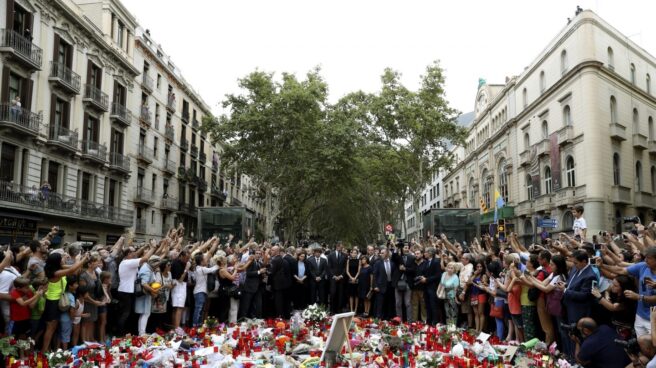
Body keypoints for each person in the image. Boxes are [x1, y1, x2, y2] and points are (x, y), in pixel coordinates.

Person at [41, 252, 88, 352]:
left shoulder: (59, 267)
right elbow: (72, 269)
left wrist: (80, 260)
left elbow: (74, 267)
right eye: (61, 257)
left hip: (58, 300)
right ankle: (44, 350)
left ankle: (49, 349)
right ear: (57, 261)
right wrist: (81, 259)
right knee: (50, 328)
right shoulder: (55, 272)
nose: (63, 258)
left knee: (55, 328)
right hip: (52, 302)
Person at [116, 243, 155, 335]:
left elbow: (137, 254)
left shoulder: (126, 261)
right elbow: (145, 259)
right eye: (133, 252)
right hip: (125, 291)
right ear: (129, 253)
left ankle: (126, 333)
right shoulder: (127, 262)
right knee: (125, 314)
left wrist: (144, 247)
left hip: (127, 290)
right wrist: (153, 247)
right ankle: (120, 334)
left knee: (127, 314)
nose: (135, 253)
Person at [562, 250, 596, 329]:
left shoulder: (590, 275)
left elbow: (584, 296)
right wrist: (565, 285)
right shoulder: (575, 268)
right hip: (568, 306)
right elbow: (570, 281)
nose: (574, 265)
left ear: (584, 261)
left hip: (579, 311)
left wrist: (565, 290)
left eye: (576, 263)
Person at [135, 255, 161, 335]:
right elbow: (144, 283)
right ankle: (142, 333)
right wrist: (153, 291)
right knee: (146, 313)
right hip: (144, 294)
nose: (158, 266)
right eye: (157, 264)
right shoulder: (146, 269)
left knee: (144, 313)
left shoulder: (148, 267)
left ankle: (141, 332)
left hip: (146, 294)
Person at [419, 247, 442, 325]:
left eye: (425, 252)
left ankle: (435, 321)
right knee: (427, 305)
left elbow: (438, 275)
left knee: (433, 305)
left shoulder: (436, 262)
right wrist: (422, 277)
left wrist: (427, 279)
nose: (424, 254)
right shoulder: (425, 262)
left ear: (430, 253)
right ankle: (429, 321)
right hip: (426, 287)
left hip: (433, 287)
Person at [372, 248, 396, 319]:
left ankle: (388, 318)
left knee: (389, 303)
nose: (381, 254)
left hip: (390, 286)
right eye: (380, 253)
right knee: (380, 304)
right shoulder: (378, 263)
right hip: (380, 286)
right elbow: (375, 275)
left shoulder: (392, 263)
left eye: (382, 253)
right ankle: (379, 318)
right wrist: (375, 286)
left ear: (387, 253)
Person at [268, 245, 291, 318]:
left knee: (278, 302)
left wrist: (266, 272)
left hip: (277, 285)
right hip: (284, 285)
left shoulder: (274, 260)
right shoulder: (283, 259)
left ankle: (279, 316)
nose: (271, 251)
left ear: (277, 251)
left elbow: (271, 272)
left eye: (272, 250)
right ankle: (284, 315)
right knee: (283, 301)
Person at [59, 275, 78, 350]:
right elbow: (72, 310)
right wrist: (72, 318)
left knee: (60, 334)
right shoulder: (71, 296)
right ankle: (65, 351)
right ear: (70, 286)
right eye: (75, 284)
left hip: (60, 317)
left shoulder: (63, 293)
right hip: (67, 318)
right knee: (66, 336)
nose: (77, 285)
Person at [327, 242, 347, 314]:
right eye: (341, 247)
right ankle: (332, 310)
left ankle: (339, 309)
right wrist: (334, 276)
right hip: (333, 278)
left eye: (342, 247)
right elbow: (329, 267)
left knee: (340, 294)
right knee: (333, 294)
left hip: (341, 278)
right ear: (337, 247)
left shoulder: (345, 255)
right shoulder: (330, 255)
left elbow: (345, 267)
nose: (342, 248)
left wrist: (341, 275)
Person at [441, 262, 460, 327]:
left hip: (452, 296)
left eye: (451, 268)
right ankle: (448, 326)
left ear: (454, 269)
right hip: (444, 296)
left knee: (453, 312)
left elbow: (456, 289)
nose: (449, 269)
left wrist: (456, 298)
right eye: (448, 267)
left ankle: (453, 327)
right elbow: (441, 283)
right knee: (447, 312)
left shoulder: (455, 277)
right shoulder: (444, 274)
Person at [410, 249, 425, 322]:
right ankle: (414, 322)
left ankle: (424, 321)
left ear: (422, 254)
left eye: (418, 253)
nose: (416, 255)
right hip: (414, 288)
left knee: (423, 306)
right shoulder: (413, 263)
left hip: (423, 288)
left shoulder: (425, 263)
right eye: (415, 254)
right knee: (414, 306)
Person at [345, 248, 360, 313]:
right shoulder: (348, 260)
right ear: (351, 254)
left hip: (357, 279)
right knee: (351, 295)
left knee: (356, 295)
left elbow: (359, 271)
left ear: (357, 254)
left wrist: (355, 278)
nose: (354, 254)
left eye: (355, 253)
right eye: (353, 253)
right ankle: (351, 309)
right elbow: (347, 271)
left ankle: (356, 309)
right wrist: (351, 278)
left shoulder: (359, 261)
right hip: (350, 278)